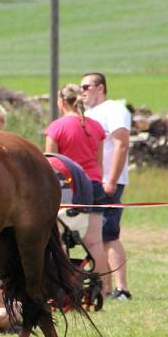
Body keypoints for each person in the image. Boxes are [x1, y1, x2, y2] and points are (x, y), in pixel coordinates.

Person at [45, 83, 112, 296]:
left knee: (59, 238)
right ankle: (103, 290)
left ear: (61, 102)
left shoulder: (57, 127)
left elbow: (51, 164)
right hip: (93, 185)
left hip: (67, 186)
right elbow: (99, 164)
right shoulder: (96, 127)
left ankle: (62, 288)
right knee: (95, 242)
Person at [81, 73, 132, 301]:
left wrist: (111, 179)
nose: (82, 91)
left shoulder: (114, 109)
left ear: (100, 88)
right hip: (92, 181)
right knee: (96, 236)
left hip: (109, 181)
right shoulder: (89, 114)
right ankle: (106, 287)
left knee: (109, 234)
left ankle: (122, 289)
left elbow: (121, 144)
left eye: (86, 86)